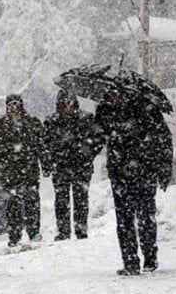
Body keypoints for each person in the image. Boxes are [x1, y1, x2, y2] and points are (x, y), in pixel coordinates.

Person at [95, 87, 172, 276]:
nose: (116, 97)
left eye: (119, 93)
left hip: (144, 172)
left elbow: (163, 138)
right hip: (120, 174)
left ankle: (150, 258)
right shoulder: (105, 111)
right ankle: (130, 261)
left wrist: (164, 168)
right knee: (124, 220)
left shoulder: (145, 108)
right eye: (112, 93)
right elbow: (95, 138)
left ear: (127, 93)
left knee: (145, 217)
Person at [0, 94, 46, 247]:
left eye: (16, 105)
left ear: (21, 105)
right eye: (10, 105)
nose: (13, 108)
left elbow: (42, 146)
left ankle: (34, 232)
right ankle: (14, 235)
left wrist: (46, 164)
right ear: (6, 107)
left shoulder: (33, 123)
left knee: (32, 203)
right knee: (12, 206)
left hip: (29, 170)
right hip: (8, 172)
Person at [43, 90, 102, 241]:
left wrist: (88, 154)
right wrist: (51, 159)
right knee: (61, 200)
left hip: (81, 166)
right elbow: (45, 144)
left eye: (69, 103)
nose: (67, 107)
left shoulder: (87, 119)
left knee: (81, 199)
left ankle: (81, 230)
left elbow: (98, 140)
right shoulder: (51, 122)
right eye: (64, 104)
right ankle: (63, 231)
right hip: (61, 167)